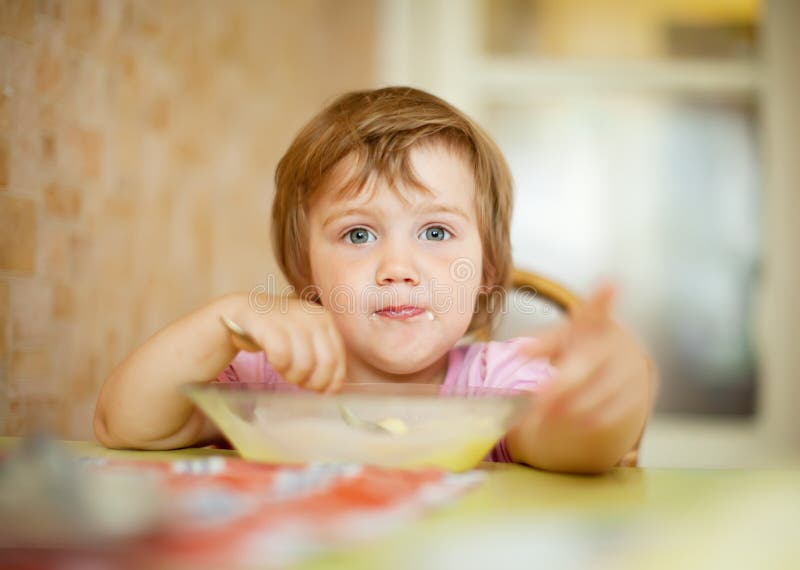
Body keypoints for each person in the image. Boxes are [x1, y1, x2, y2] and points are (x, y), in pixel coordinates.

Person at [94, 87, 656, 473]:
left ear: (485, 269)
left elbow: (569, 446)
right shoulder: (268, 381)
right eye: (359, 235)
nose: (398, 268)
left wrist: (608, 402)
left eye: (436, 233)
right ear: (305, 271)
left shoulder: (495, 388)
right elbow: (124, 426)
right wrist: (225, 319)